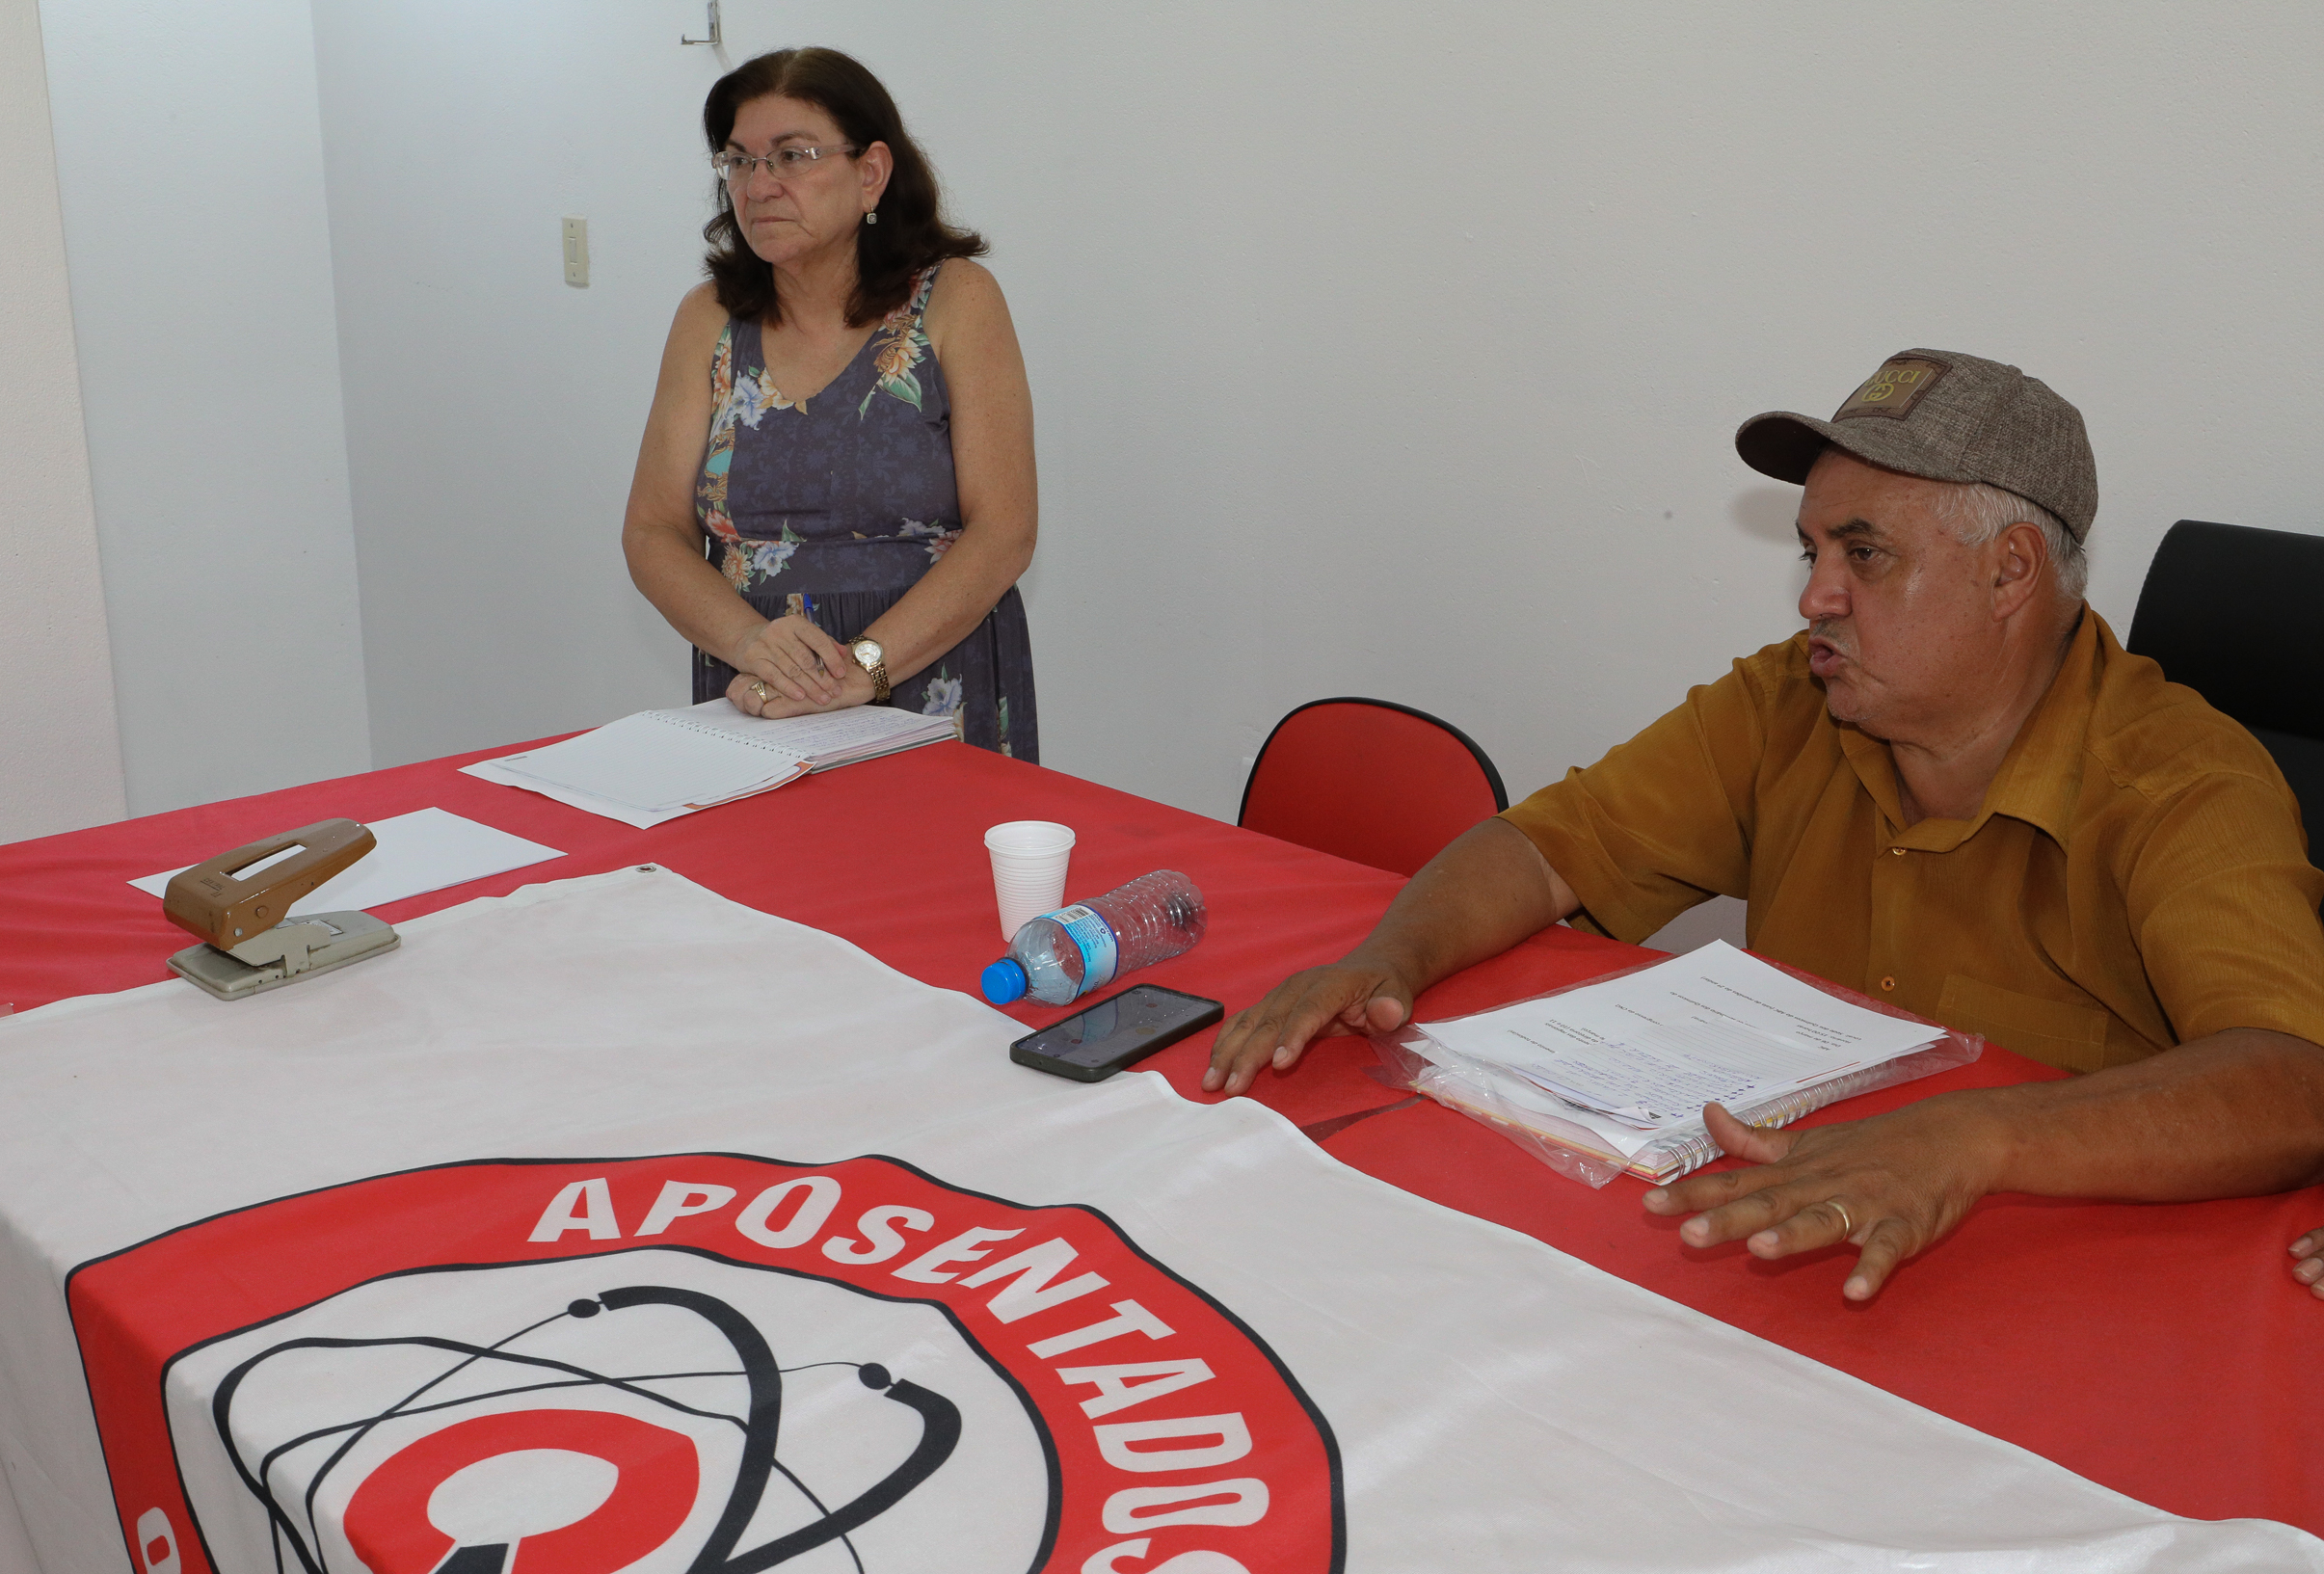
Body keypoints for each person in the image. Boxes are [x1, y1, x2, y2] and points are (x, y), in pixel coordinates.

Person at [1208, 348, 2324, 1299]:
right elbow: (1550, 847)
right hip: (1786, 1249)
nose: (1813, 597)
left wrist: (1980, 1138)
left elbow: (2290, 1078)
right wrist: (1387, 957)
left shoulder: (2180, 778)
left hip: (2055, 1288)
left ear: (2009, 572)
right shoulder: (1791, 699)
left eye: (1864, 554)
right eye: (1811, 552)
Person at [623, 47, 1039, 759]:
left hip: (927, 678)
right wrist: (750, 643)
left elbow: (1004, 530)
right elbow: (654, 532)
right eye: (740, 161)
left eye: (793, 156)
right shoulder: (708, 318)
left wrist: (862, 670)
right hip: (759, 687)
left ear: (871, 173)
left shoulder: (956, 300)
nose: (760, 185)